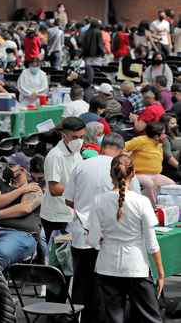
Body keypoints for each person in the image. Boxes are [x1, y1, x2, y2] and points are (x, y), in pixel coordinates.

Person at [64, 137, 141, 323]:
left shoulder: (82, 166)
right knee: (107, 289)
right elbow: (134, 202)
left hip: (83, 236)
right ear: (122, 151)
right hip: (110, 238)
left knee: (82, 286)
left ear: (101, 147)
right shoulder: (125, 169)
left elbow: (68, 200)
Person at [88, 154, 164, 323]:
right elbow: (152, 244)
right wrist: (160, 273)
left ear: (110, 175)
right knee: (151, 317)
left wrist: (103, 241)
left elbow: (92, 240)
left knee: (113, 318)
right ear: (133, 173)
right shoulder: (142, 201)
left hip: (107, 266)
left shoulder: (99, 200)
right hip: (136, 266)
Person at [0, 155, 43, 270]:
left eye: (11, 165)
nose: (7, 168)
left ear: (23, 169)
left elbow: (25, 208)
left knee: (1, 254)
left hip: (21, 233)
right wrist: (21, 190)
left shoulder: (34, 187)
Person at [40, 117, 85, 242]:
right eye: (75, 137)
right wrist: (80, 188)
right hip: (57, 218)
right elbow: (54, 189)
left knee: (71, 251)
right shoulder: (55, 156)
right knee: (59, 253)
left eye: (82, 137)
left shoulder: (75, 152)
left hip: (72, 213)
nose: (79, 141)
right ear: (64, 136)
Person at [125, 121, 175, 205]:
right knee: (149, 184)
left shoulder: (159, 144)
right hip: (137, 174)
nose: (165, 136)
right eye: (163, 134)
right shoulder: (140, 140)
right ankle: (153, 208)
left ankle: (168, 209)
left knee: (172, 185)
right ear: (156, 136)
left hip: (155, 175)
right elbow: (122, 147)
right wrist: (126, 156)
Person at [160, 114, 180, 181]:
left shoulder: (176, 133)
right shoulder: (164, 138)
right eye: (172, 123)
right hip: (172, 169)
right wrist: (179, 167)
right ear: (165, 125)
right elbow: (168, 157)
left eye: (176, 123)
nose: (176, 125)